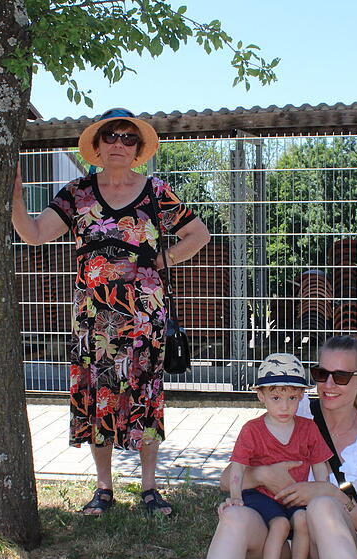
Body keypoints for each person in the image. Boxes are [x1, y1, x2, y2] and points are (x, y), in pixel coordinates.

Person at [11, 108, 211, 517]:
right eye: (111, 136)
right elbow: (32, 235)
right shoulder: (76, 194)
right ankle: (104, 491)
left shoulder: (156, 192)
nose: (119, 144)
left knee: (145, 396)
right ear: (97, 146)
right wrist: (14, 198)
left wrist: (163, 260)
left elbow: (198, 233)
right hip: (93, 320)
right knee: (98, 397)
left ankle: (150, 490)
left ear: (138, 149)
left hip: (143, 318)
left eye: (127, 138)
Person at [194, 336, 357, 559]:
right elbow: (228, 480)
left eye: (340, 376)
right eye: (321, 374)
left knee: (322, 506)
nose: (328, 385)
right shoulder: (291, 407)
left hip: (330, 547)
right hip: (281, 543)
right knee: (235, 518)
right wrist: (262, 474)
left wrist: (331, 494)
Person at [225, 353, 332, 559]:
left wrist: (320, 492)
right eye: (276, 398)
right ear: (261, 396)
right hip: (260, 495)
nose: (284, 406)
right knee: (281, 525)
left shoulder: (308, 429)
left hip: (293, 494)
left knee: (303, 518)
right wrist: (236, 497)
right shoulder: (252, 430)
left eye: (292, 398)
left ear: (301, 397)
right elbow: (237, 467)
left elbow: (321, 466)